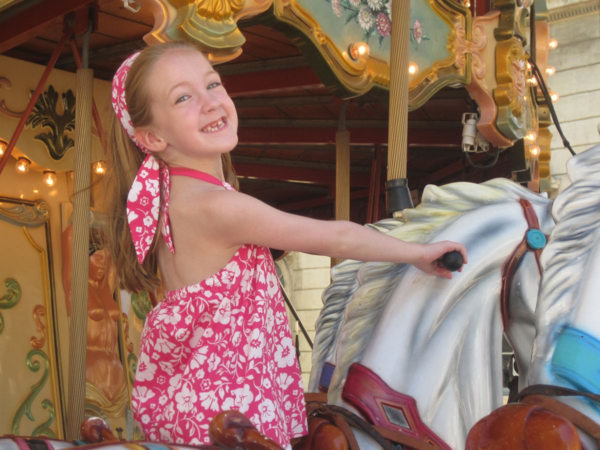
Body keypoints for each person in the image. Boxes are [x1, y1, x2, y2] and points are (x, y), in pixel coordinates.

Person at [104, 41, 468, 449]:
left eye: (213, 84)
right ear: (151, 136)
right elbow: (334, 236)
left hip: (198, 405)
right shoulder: (216, 207)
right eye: (183, 97)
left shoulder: (171, 198)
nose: (210, 102)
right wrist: (416, 253)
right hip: (231, 411)